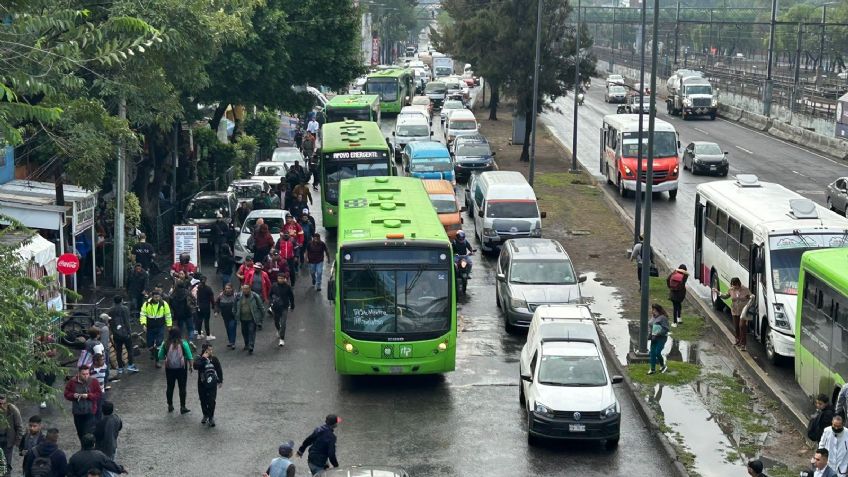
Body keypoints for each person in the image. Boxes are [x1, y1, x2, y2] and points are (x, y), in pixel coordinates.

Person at [63, 365, 102, 445]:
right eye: (84, 374)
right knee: (80, 432)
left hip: (90, 411)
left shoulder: (94, 381)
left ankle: (90, 447)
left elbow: (98, 394)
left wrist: (88, 396)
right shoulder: (72, 382)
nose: (86, 376)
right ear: (79, 374)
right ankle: (83, 446)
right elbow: (66, 394)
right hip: (77, 412)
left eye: (87, 374)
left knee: (88, 432)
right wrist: (73, 395)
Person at [158, 327, 193, 414]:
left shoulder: (165, 343)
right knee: (182, 387)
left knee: (170, 387)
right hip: (181, 368)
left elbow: (160, 356)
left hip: (169, 369)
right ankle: (182, 407)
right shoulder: (183, 343)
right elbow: (189, 356)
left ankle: (170, 405)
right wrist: (191, 366)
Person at [713, 277, 755, 351]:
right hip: (734, 311)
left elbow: (750, 297)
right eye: (732, 285)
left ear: (738, 284)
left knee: (742, 326)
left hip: (743, 312)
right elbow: (726, 296)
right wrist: (718, 292)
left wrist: (751, 297)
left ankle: (743, 344)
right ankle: (738, 340)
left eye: (735, 285)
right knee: (736, 327)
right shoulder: (731, 290)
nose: (733, 287)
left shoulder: (745, 289)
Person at [139, 290, 172, 368]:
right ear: (152, 297)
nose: (157, 298)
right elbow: (143, 314)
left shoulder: (164, 304)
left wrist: (169, 325)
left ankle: (157, 361)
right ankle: (153, 352)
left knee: (159, 343)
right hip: (150, 327)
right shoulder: (146, 304)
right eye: (156, 297)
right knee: (149, 344)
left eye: (158, 297)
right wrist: (144, 324)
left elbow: (168, 315)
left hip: (160, 326)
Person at [193, 343, 223, 427]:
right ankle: (205, 414)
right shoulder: (199, 358)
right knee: (203, 400)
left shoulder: (214, 359)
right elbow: (195, 366)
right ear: (204, 350)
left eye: (211, 349)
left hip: (212, 383)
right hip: (202, 383)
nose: (211, 351)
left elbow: (219, 369)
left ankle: (211, 417)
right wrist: (203, 358)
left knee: (211, 400)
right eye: (209, 350)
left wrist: (220, 380)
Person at [108, 296, 138, 375]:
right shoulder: (125, 309)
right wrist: (129, 332)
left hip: (116, 334)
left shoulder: (110, 310)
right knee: (129, 349)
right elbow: (127, 322)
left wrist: (113, 332)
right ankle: (130, 365)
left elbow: (111, 322)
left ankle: (120, 367)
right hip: (125, 334)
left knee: (118, 351)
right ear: (121, 300)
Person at [234, 284, 264, 354]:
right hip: (243, 318)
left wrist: (261, 316)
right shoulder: (238, 296)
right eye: (244, 289)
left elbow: (261, 306)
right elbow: (234, 306)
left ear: (250, 289)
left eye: (247, 289)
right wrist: (235, 313)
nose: (245, 290)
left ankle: (251, 346)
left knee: (251, 331)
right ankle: (246, 343)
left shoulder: (255, 296)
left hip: (252, 318)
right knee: (244, 332)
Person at [93, 402, 121, 470]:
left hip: (104, 450)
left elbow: (96, 436)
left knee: (106, 470)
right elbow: (120, 427)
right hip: (114, 446)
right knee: (112, 466)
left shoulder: (102, 422)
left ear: (102, 410)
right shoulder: (117, 418)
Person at [270, 275, 295, 347]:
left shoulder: (287, 287)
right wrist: (271, 303)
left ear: (284, 279)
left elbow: (291, 296)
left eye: (281, 278)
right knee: (276, 321)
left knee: (283, 323)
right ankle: (278, 329)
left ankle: (282, 338)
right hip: (276, 307)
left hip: (284, 307)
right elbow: (270, 295)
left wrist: (292, 305)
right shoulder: (274, 286)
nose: (280, 280)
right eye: (279, 278)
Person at [0, 395, 22, 476]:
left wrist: (18, 441)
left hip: (7, 440)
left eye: (3, 403)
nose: (2, 406)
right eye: (0, 404)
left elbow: (19, 426)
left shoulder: (12, 410)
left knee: (7, 462)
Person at [647, 303, 670, 375]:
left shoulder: (663, 318)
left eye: (654, 310)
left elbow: (666, 328)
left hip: (661, 338)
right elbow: (651, 326)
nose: (652, 311)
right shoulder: (653, 317)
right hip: (653, 338)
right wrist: (650, 334)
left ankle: (663, 366)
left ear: (658, 310)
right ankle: (652, 369)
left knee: (657, 352)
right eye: (652, 309)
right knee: (652, 353)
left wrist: (659, 333)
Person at [216, 283, 238, 350]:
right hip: (225, 316)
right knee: (228, 329)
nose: (227, 290)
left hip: (233, 316)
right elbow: (217, 303)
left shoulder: (235, 295)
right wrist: (216, 311)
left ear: (232, 289)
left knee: (232, 328)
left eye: (229, 288)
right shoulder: (221, 295)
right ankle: (230, 341)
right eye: (226, 288)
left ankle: (233, 342)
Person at [195, 275, 215, 340]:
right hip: (206, 307)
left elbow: (197, 297)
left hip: (199, 306)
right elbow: (212, 298)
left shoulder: (198, 288)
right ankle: (208, 335)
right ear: (205, 280)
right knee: (206, 321)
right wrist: (213, 306)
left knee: (199, 320)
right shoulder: (208, 289)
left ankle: (199, 334)